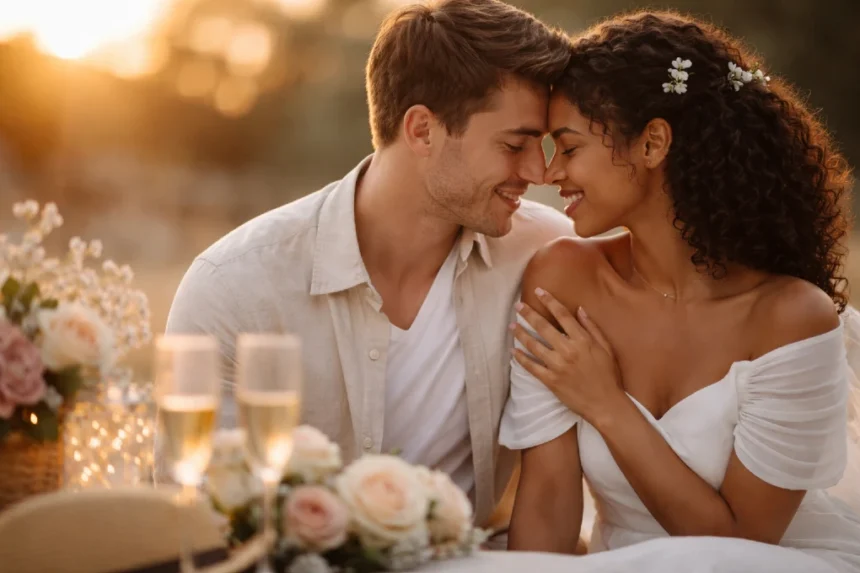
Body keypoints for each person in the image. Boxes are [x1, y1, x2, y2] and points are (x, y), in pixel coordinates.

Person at [165, 0, 574, 529]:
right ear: (422, 130)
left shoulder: (548, 257)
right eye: (515, 144)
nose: (538, 171)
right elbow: (196, 517)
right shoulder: (236, 287)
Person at [500, 10, 860, 572]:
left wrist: (607, 404)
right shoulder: (562, 277)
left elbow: (740, 541)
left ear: (653, 143)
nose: (551, 174)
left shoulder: (790, 317)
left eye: (569, 149)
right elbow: (547, 496)